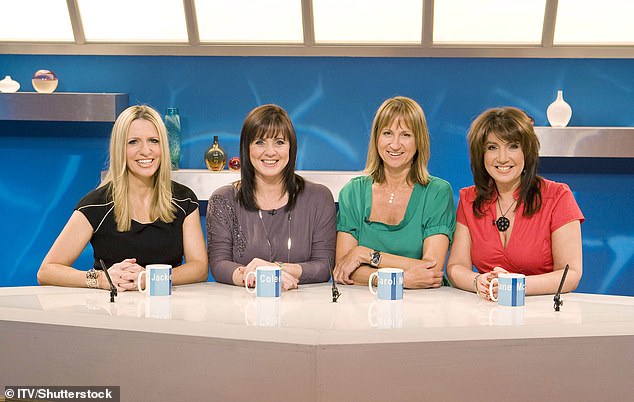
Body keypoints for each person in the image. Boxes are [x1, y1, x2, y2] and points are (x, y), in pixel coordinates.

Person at [38, 105, 208, 291]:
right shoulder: (96, 204)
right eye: (133, 142)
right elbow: (47, 271)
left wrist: (149, 279)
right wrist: (102, 279)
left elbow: (199, 268)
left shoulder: (184, 200)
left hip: (167, 309)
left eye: (153, 140)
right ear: (120, 148)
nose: (146, 151)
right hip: (111, 311)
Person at [446, 107, 584, 299]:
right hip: (487, 312)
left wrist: (514, 285)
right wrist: (478, 281)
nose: (502, 158)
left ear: (526, 152)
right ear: (481, 154)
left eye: (513, 146)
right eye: (492, 147)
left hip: (542, 314)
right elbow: (456, 267)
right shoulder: (469, 199)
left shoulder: (558, 197)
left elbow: (570, 274)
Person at [207, 104, 336, 290]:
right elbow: (219, 265)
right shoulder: (223, 200)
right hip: (243, 309)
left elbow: (325, 266)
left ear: (291, 147)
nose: (270, 152)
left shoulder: (319, 198)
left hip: (304, 310)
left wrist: (275, 269)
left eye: (279, 142)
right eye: (260, 142)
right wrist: (256, 277)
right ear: (247, 148)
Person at [334, 96, 456, 288]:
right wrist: (399, 280)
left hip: (426, 307)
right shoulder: (353, 192)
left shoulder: (437, 192)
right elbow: (343, 270)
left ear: (419, 141)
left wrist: (365, 254)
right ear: (376, 138)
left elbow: (431, 271)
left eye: (406, 135)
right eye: (387, 133)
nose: (395, 144)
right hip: (365, 307)